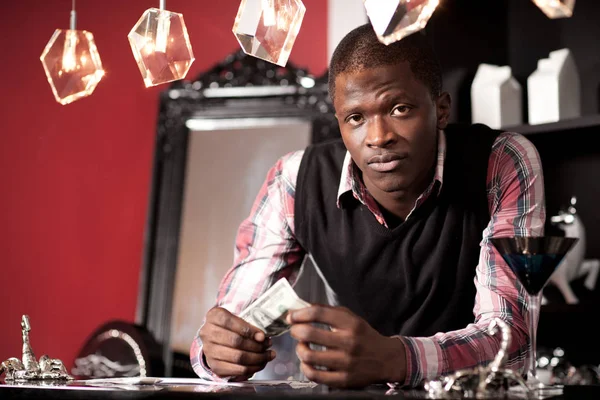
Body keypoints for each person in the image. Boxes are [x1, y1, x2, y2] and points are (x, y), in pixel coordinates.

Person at [190, 23, 545, 389]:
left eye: (400, 108)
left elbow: (511, 344)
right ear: (340, 124)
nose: (378, 138)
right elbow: (230, 324)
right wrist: (218, 350)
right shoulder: (294, 180)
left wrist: (394, 358)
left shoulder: (499, 162)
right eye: (356, 118)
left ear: (440, 109)